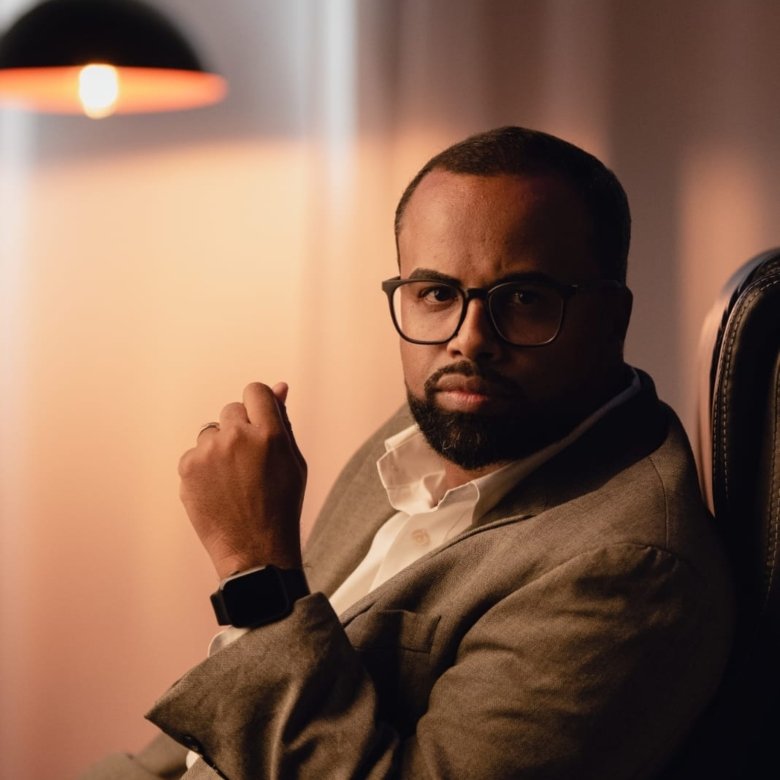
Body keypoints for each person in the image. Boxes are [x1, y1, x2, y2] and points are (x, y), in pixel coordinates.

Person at [81, 127, 734, 779]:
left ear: (612, 318)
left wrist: (255, 570)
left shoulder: (629, 569)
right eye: (437, 294)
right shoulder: (447, 419)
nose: (468, 340)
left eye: (523, 298)